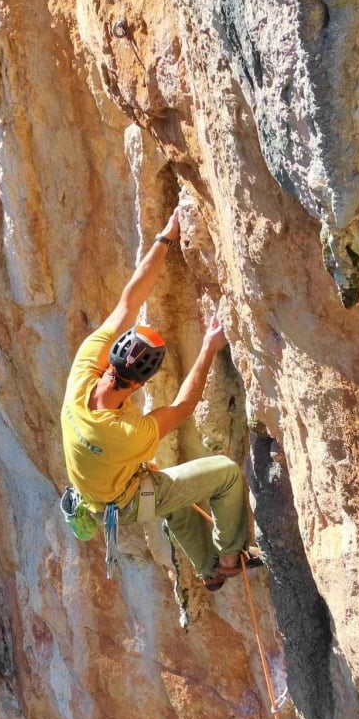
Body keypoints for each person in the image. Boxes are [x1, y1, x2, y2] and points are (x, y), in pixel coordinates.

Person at [60, 206, 262, 591]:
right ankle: (230, 558)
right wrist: (208, 347)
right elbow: (183, 409)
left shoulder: (83, 373)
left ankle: (207, 571)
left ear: (110, 360)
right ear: (137, 387)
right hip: (126, 502)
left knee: (173, 497)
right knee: (224, 474)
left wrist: (166, 237)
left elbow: (127, 302)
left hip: (102, 497)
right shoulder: (122, 432)